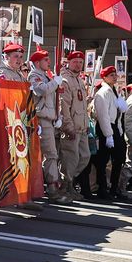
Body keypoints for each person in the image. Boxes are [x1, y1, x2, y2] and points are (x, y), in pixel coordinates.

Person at [28, 49, 68, 203]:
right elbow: (41, 90)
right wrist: (54, 82)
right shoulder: (35, 76)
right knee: (50, 154)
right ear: (37, 63)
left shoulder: (46, 76)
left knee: (51, 154)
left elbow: (52, 99)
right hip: (41, 119)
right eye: (45, 60)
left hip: (48, 119)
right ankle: (51, 187)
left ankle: (49, 185)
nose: (48, 62)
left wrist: (57, 116)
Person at [56, 51, 91, 202]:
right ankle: (66, 186)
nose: (78, 64)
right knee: (70, 158)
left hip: (82, 127)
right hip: (72, 128)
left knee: (84, 156)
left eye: (80, 62)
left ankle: (68, 181)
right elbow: (64, 106)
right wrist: (68, 126)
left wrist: (87, 122)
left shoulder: (79, 81)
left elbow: (83, 106)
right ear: (69, 63)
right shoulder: (65, 80)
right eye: (75, 61)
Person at [89, 66, 124, 200]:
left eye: (115, 74)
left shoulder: (114, 91)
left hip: (114, 127)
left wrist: (118, 130)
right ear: (104, 77)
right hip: (106, 128)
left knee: (118, 158)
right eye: (111, 75)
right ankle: (102, 189)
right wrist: (108, 135)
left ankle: (114, 188)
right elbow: (103, 115)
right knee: (102, 161)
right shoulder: (103, 92)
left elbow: (117, 114)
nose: (114, 77)